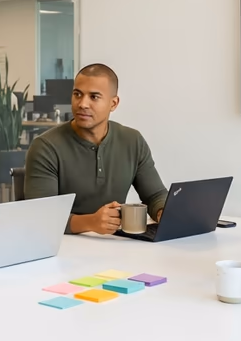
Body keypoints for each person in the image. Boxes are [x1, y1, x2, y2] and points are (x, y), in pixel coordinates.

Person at [24, 63, 168, 234]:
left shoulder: (133, 141)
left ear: (113, 103)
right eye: (77, 94)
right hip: (62, 244)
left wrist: (162, 212)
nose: (82, 104)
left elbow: (155, 195)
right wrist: (90, 222)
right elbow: (41, 216)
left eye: (94, 97)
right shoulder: (45, 147)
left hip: (116, 243)